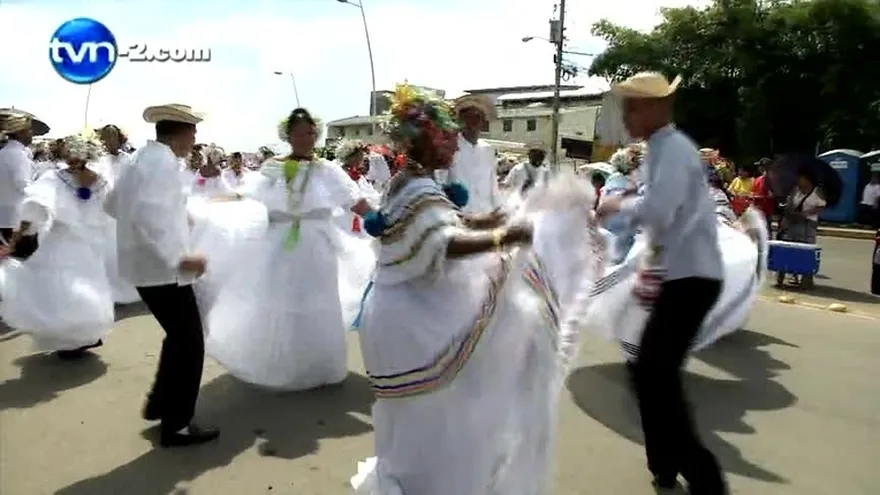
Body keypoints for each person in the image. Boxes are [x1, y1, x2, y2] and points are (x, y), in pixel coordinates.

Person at [351, 84, 606, 495]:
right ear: (430, 141)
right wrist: (505, 238)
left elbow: (455, 224)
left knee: (432, 413)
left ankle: (423, 479)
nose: (455, 143)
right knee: (435, 410)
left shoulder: (418, 181)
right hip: (410, 318)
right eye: (447, 135)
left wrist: (502, 221)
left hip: (403, 308)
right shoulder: (414, 187)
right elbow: (443, 244)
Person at [597, 72, 727, 494]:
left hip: (693, 277)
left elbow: (659, 211)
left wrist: (616, 204)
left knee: (655, 375)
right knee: (650, 373)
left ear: (657, 108)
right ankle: (666, 464)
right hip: (680, 274)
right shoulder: (660, 149)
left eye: (634, 107)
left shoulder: (672, 148)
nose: (628, 116)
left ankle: (703, 477)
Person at [203, 108, 375, 391]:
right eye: (298, 133)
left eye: (309, 132)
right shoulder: (272, 167)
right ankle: (284, 366)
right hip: (280, 243)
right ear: (288, 136)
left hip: (318, 243)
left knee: (319, 300)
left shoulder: (328, 169)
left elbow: (353, 200)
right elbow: (248, 195)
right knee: (284, 300)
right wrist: (215, 200)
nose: (304, 138)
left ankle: (320, 367)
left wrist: (377, 219)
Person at [104, 103, 218, 447]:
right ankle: (177, 423)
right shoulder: (162, 163)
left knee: (179, 337)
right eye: (193, 131)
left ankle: (160, 404)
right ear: (181, 132)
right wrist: (179, 258)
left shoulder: (141, 158)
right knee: (190, 343)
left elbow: (112, 205)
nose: (195, 137)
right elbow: (150, 216)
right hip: (162, 271)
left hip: (148, 267)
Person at [0, 134, 113, 359]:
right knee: (82, 289)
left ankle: (74, 339)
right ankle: (81, 336)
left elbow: (34, 209)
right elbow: (112, 212)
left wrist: (16, 239)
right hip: (82, 245)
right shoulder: (97, 181)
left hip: (68, 244)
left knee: (66, 292)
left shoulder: (58, 178)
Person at [441, 94, 501, 214]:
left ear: (483, 123)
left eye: (476, 117)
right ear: (459, 121)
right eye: (466, 117)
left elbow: (493, 186)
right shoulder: (450, 147)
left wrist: (498, 210)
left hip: (485, 215)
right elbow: (440, 183)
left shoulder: (488, 150)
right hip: (458, 217)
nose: (471, 122)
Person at [0, 110, 48, 258]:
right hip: (16, 221)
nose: (32, 134)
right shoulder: (18, 155)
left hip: (4, 218)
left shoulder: (4, 152)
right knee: (22, 264)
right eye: (29, 131)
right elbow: (24, 186)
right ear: (20, 133)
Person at [776, 168, 826, 288]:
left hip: (809, 224)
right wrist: (785, 219)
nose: (798, 180)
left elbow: (822, 206)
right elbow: (789, 206)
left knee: (806, 250)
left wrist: (807, 213)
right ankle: (788, 276)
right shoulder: (795, 190)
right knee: (790, 248)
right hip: (793, 222)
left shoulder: (817, 191)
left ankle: (806, 278)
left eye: (801, 178)